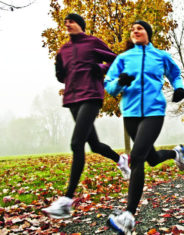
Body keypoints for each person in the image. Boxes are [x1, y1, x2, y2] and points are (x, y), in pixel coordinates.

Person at [42, 13, 131, 219]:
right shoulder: (63, 50)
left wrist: (100, 67)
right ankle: (121, 160)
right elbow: (63, 75)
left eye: (71, 21)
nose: (67, 24)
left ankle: (66, 201)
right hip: (72, 98)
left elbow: (117, 61)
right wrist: (58, 72)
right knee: (95, 145)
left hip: (91, 95)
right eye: (65, 22)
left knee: (76, 143)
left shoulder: (92, 43)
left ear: (80, 25)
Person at [104, 20, 184, 234]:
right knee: (150, 159)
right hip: (130, 114)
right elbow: (110, 87)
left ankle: (128, 217)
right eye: (132, 29)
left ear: (148, 33)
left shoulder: (160, 56)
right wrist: (120, 82)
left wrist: (178, 88)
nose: (135, 31)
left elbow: (175, 74)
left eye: (139, 28)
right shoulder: (123, 58)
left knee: (137, 157)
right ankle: (176, 153)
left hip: (153, 112)